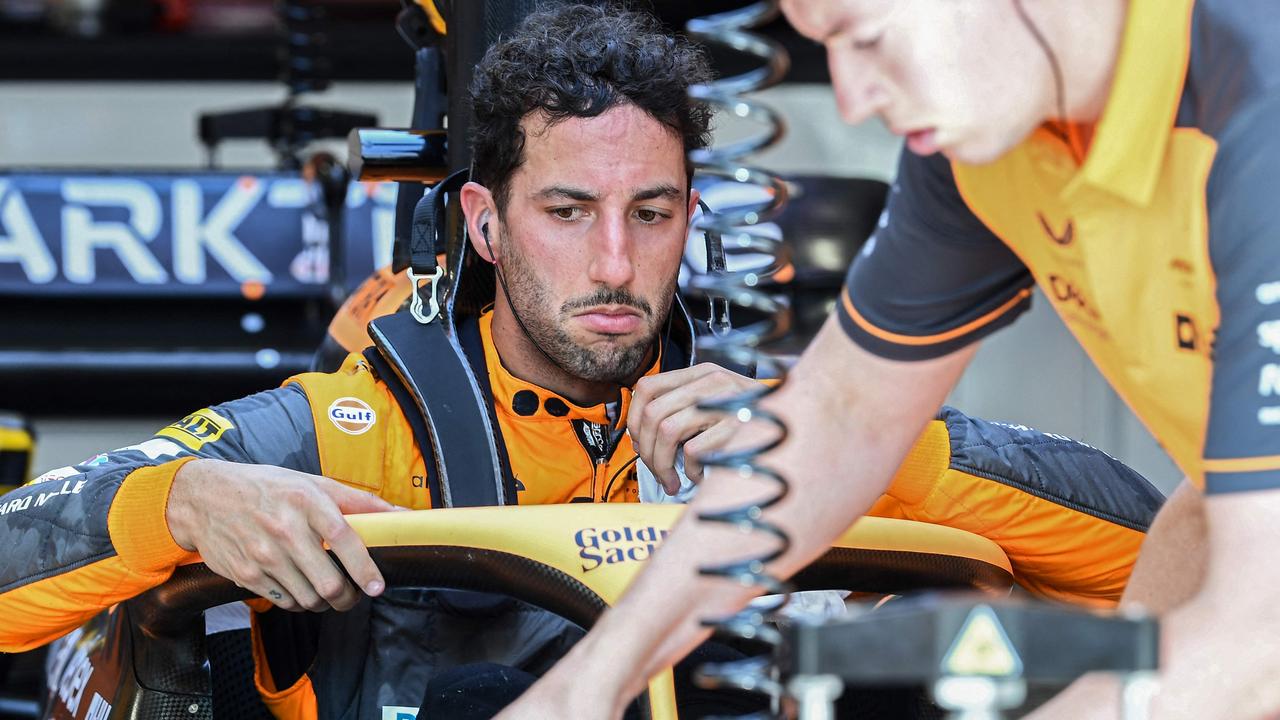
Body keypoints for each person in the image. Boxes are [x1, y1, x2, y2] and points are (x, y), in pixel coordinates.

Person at [0, 3, 1161, 718]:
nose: (615, 261)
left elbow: (1153, 562)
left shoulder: (766, 416)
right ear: (486, 221)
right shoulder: (343, 428)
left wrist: (834, 460)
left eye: (650, 213)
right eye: (566, 210)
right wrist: (184, 503)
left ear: (690, 218)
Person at [497, 1, 1280, 718]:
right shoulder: (991, 132)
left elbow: (1259, 640)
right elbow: (843, 416)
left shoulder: (1258, 114)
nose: (854, 99)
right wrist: (577, 693)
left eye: (866, 37)